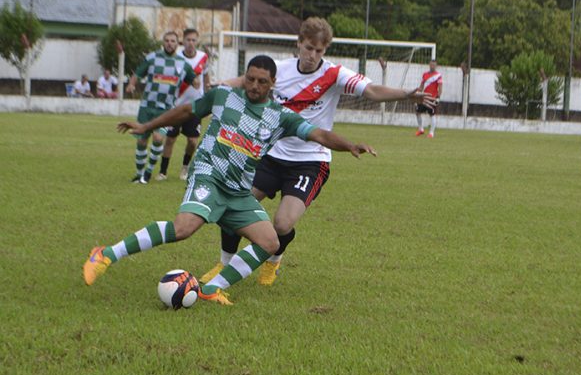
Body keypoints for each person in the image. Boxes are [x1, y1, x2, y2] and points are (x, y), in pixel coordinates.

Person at [82, 55, 376, 306]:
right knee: (184, 228)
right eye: (250, 79)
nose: (254, 86)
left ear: (273, 84)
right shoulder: (223, 96)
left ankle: (211, 288)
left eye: (262, 82)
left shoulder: (280, 117)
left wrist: (348, 145)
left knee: (270, 242)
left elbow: (320, 135)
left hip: (237, 192)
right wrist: (147, 125)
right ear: (245, 77)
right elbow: (187, 111)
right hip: (208, 175)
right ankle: (106, 255)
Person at [201, 16, 435, 287]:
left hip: (310, 161)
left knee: (282, 224)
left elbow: (371, 90)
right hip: (270, 154)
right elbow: (244, 81)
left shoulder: (335, 75)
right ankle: (223, 263)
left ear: (325, 51)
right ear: (299, 43)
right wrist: (219, 87)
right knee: (233, 206)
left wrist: (405, 94)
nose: (312, 55)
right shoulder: (280, 69)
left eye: (319, 51)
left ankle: (273, 261)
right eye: (309, 48)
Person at [125, 31, 196, 184]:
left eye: (173, 41)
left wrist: (201, 83)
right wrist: (131, 84)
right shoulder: (152, 58)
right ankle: (139, 174)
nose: (170, 43)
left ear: (178, 44)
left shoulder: (183, 63)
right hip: (147, 107)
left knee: (158, 138)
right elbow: (137, 74)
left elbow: (194, 80)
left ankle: (148, 173)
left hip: (166, 109)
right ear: (163, 42)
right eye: (167, 40)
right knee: (142, 141)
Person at [157, 28, 210, 182]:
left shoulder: (203, 57)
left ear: (197, 42)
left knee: (193, 141)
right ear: (183, 42)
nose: (191, 43)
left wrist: (208, 99)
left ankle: (185, 167)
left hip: (195, 106)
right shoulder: (176, 58)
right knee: (170, 139)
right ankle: (163, 171)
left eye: (194, 40)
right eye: (188, 40)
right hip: (176, 105)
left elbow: (206, 78)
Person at [415, 59, 442, 138]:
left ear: (436, 66)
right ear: (429, 65)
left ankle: (431, 133)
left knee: (432, 114)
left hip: (432, 98)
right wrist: (417, 93)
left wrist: (438, 97)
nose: (432, 66)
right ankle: (421, 129)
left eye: (434, 65)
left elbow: (440, 88)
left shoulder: (438, 75)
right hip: (424, 97)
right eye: (431, 65)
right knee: (417, 112)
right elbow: (421, 86)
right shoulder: (425, 74)